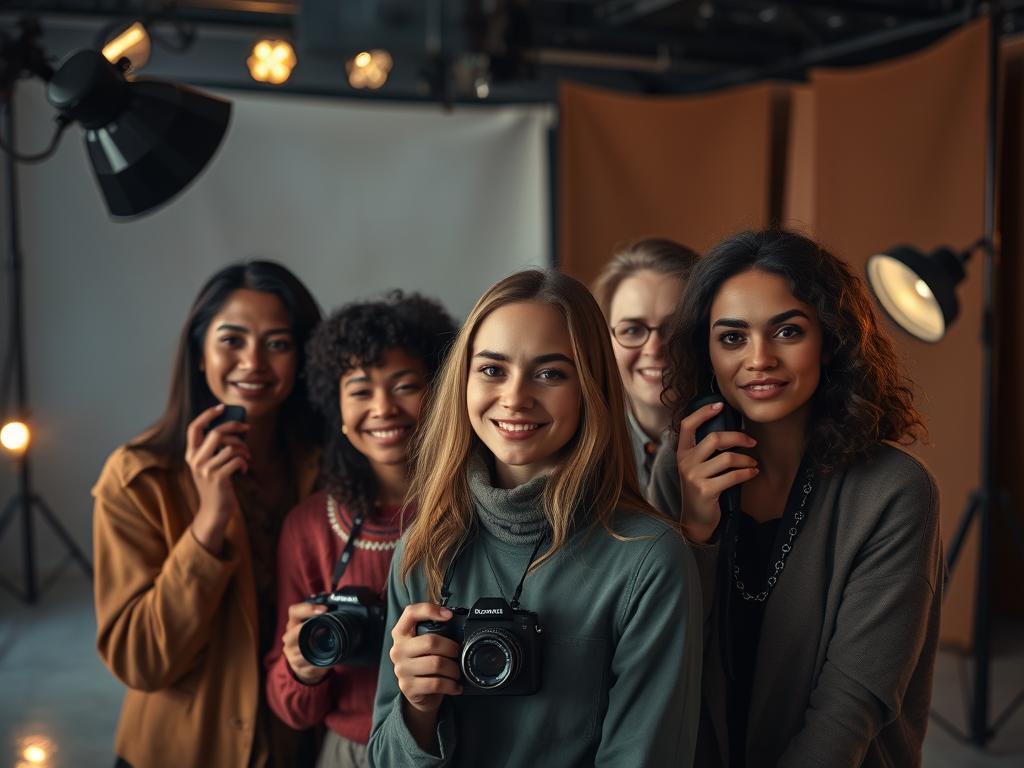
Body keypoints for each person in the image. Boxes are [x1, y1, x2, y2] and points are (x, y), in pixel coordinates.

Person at [369, 269, 703, 766]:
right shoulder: (424, 549)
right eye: (492, 369)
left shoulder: (648, 558)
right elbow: (382, 758)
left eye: (550, 373)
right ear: (463, 380)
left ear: (589, 387)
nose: (515, 396)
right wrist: (417, 710)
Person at [648, 230, 941, 767]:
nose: (759, 359)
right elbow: (659, 661)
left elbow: (852, 706)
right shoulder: (681, 463)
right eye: (732, 338)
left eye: (786, 331)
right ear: (706, 351)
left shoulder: (894, 490)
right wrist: (693, 533)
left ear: (829, 340)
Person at [92, 261, 323, 768]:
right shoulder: (137, 478)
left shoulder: (326, 469)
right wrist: (209, 520)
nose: (254, 363)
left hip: (295, 745)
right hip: (183, 752)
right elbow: (140, 659)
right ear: (199, 353)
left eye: (278, 343)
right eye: (232, 340)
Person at [264, 292, 456, 768]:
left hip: (466, 742)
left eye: (404, 385)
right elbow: (291, 708)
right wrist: (302, 666)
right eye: (360, 390)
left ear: (441, 390)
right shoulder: (310, 526)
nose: (383, 408)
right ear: (338, 409)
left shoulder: (478, 507)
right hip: (352, 752)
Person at [592, 238, 699, 488]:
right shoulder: (581, 455)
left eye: (673, 327)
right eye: (632, 330)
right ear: (605, 341)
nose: (654, 348)